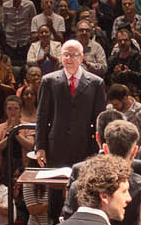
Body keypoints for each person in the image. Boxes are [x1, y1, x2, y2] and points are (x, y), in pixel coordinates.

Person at [36, 39, 110, 170]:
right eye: (66, 55)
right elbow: (42, 117)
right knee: (55, 189)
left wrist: (101, 147)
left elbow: (100, 119)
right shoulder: (48, 81)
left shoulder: (96, 83)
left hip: (86, 146)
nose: (69, 58)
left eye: (74, 55)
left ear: (81, 57)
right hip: (56, 146)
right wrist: (40, 147)